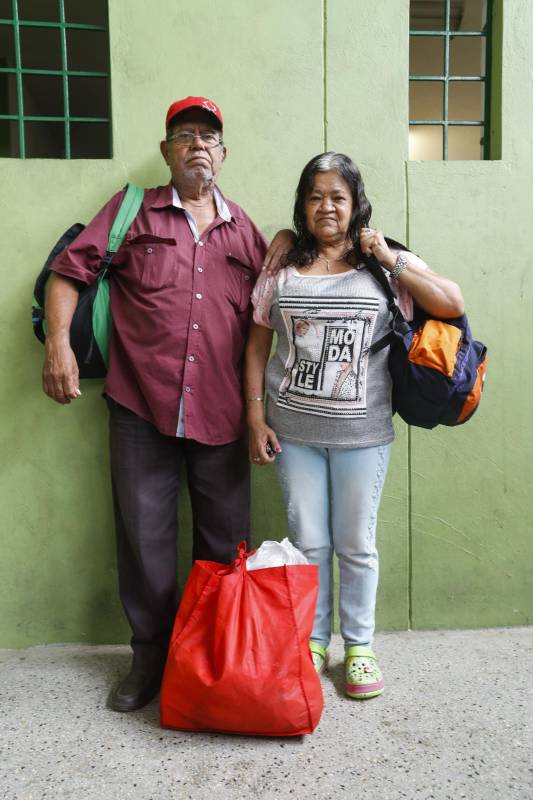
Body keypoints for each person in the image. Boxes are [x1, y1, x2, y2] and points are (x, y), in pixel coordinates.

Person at [42, 96, 291, 712]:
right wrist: (58, 346)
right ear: (166, 151)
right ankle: (150, 658)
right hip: (140, 406)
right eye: (185, 135)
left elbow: (270, 311)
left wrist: (292, 238)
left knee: (224, 544)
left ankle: (209, 659)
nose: (197, 145)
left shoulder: (246, 231)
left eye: (208, 136)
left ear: (224, 154)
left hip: (221, 413)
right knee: (144, 540)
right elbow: (69, 274)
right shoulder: (132, 210)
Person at [244, 152, 464, 699]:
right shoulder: (282, 265)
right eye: (315, 196)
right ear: (302, 204)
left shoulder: (383, 263)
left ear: (355, 203)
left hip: (362, 435)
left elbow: (451, 302)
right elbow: (257, 343)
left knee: (356, 544)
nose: (327, 206)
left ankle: (359, 647)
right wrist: (254, 415)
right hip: (292, 432)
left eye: (338, 197)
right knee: (309, 542)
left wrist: (388, 256)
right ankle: (314, 640)